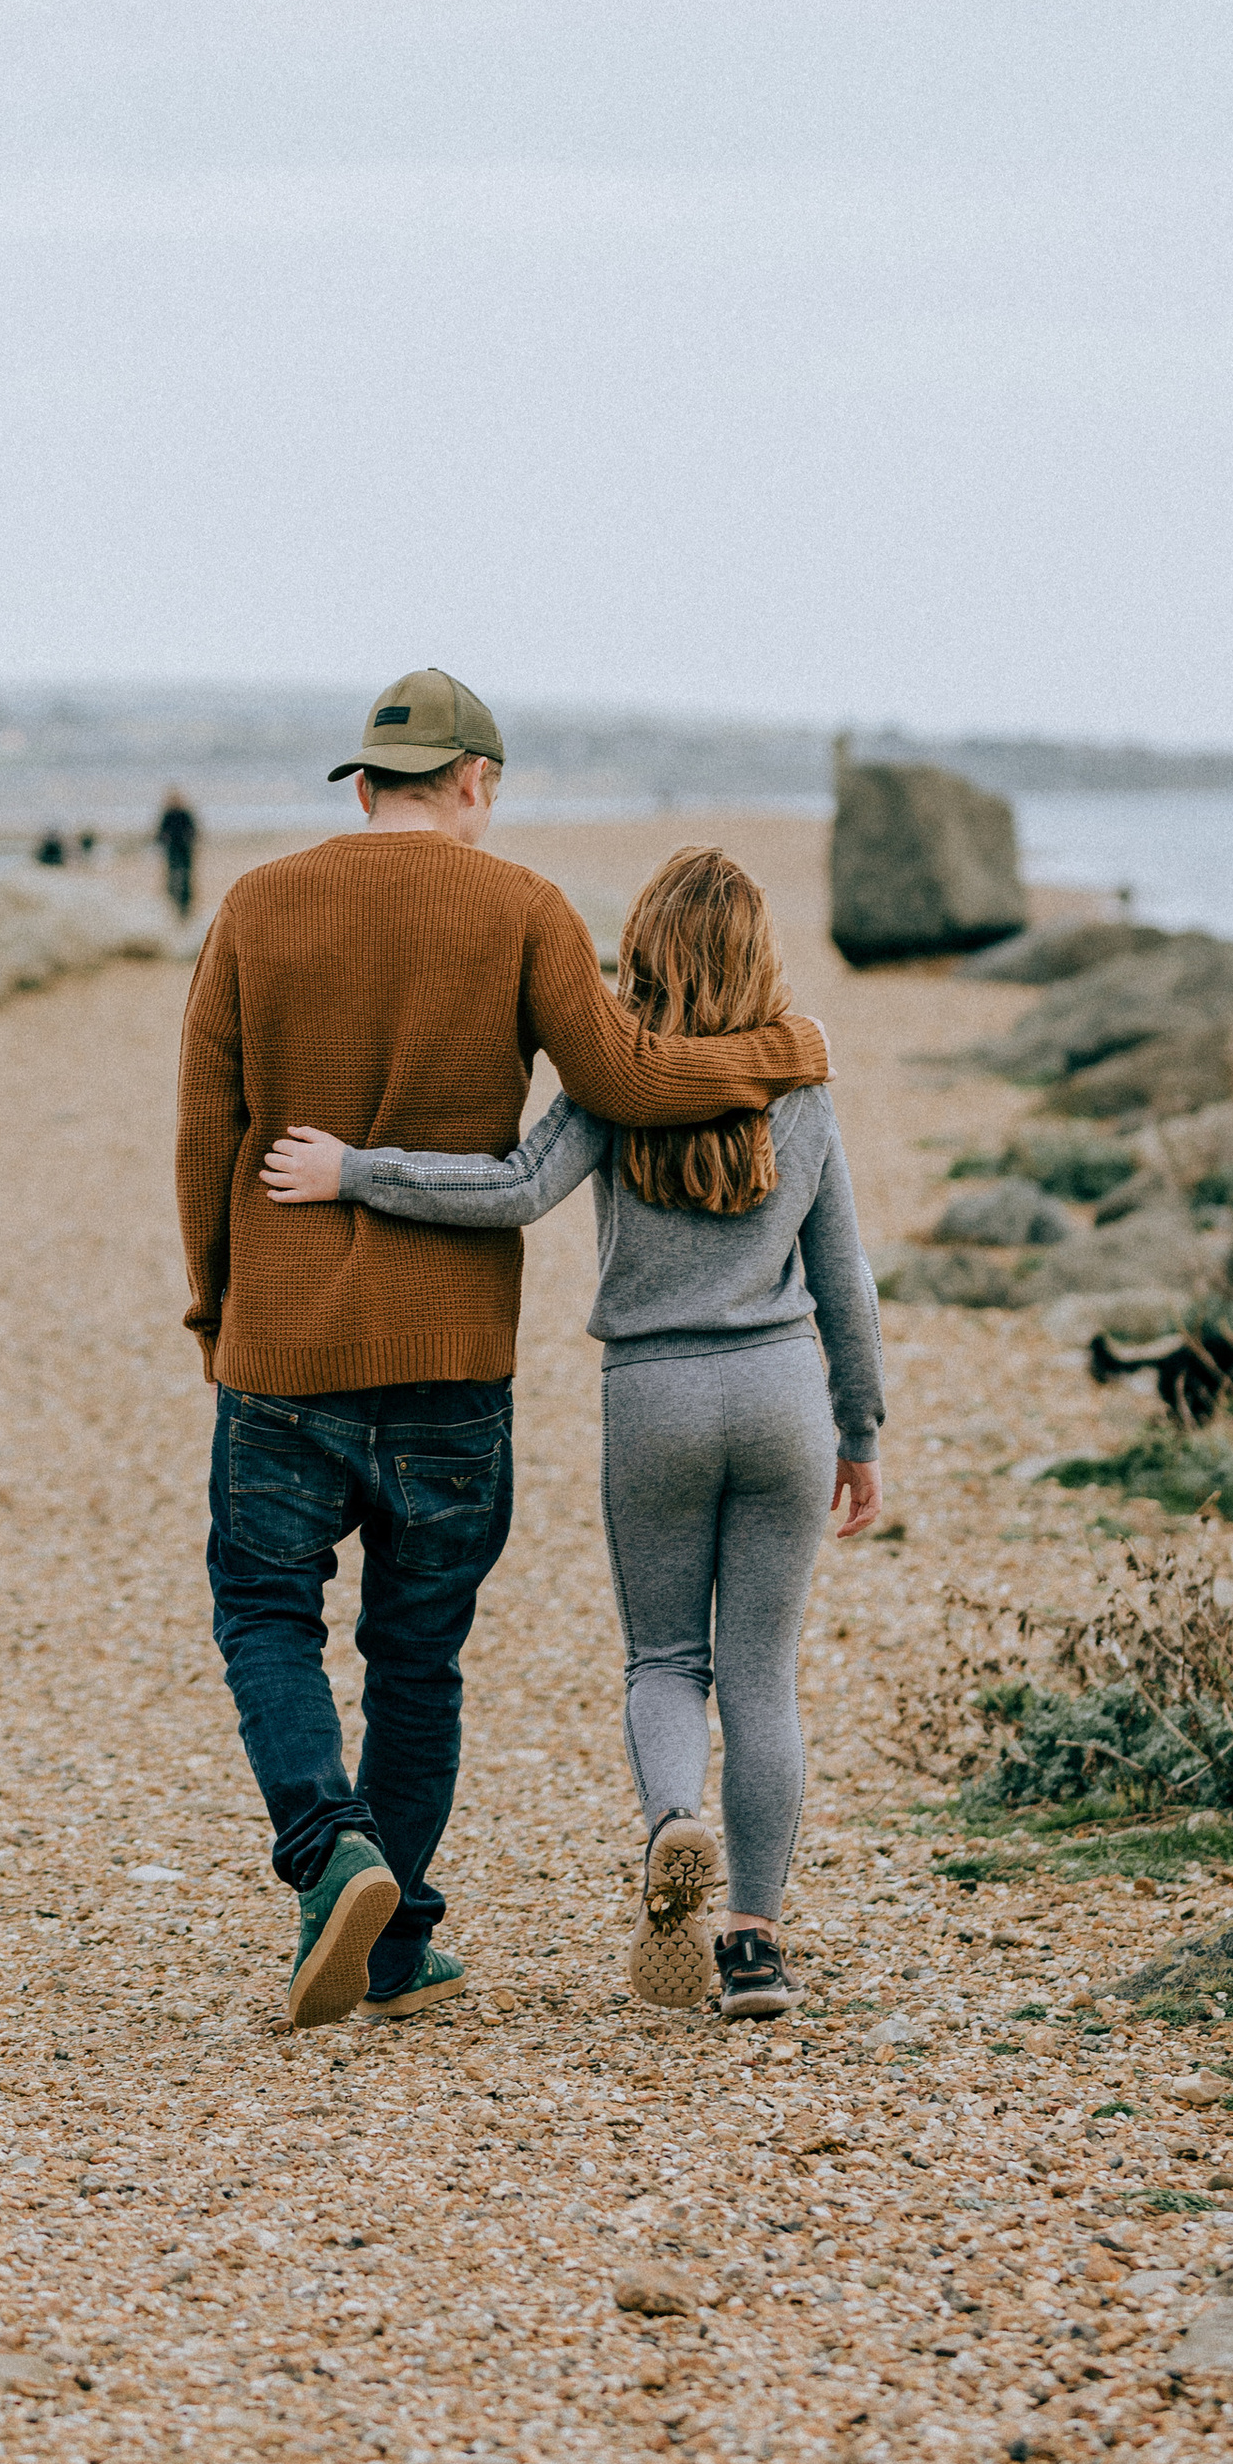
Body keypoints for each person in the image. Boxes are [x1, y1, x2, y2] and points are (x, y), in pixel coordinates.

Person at [176, 672, 831, 2034]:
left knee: (263, 1613)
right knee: (418, 1653)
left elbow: (206, 1131)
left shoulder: (250, 903)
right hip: (450, 1357)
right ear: (476, 778)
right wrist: (780, 1050)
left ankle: (330, 1848)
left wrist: (215, 1305)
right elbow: (631, 1081)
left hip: (282, 1349)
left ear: (364, 782)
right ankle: (399, 1937)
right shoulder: (524, 905)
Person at [155, 790, 198, 922]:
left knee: (186, 879)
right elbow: (160, 834)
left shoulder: (184, 814)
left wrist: (188, 838)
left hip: (184, 851)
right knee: (171, 879)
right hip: (173, 851)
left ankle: (185, 907)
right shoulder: (168, 815)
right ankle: (172, 905)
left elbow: (194, 832)